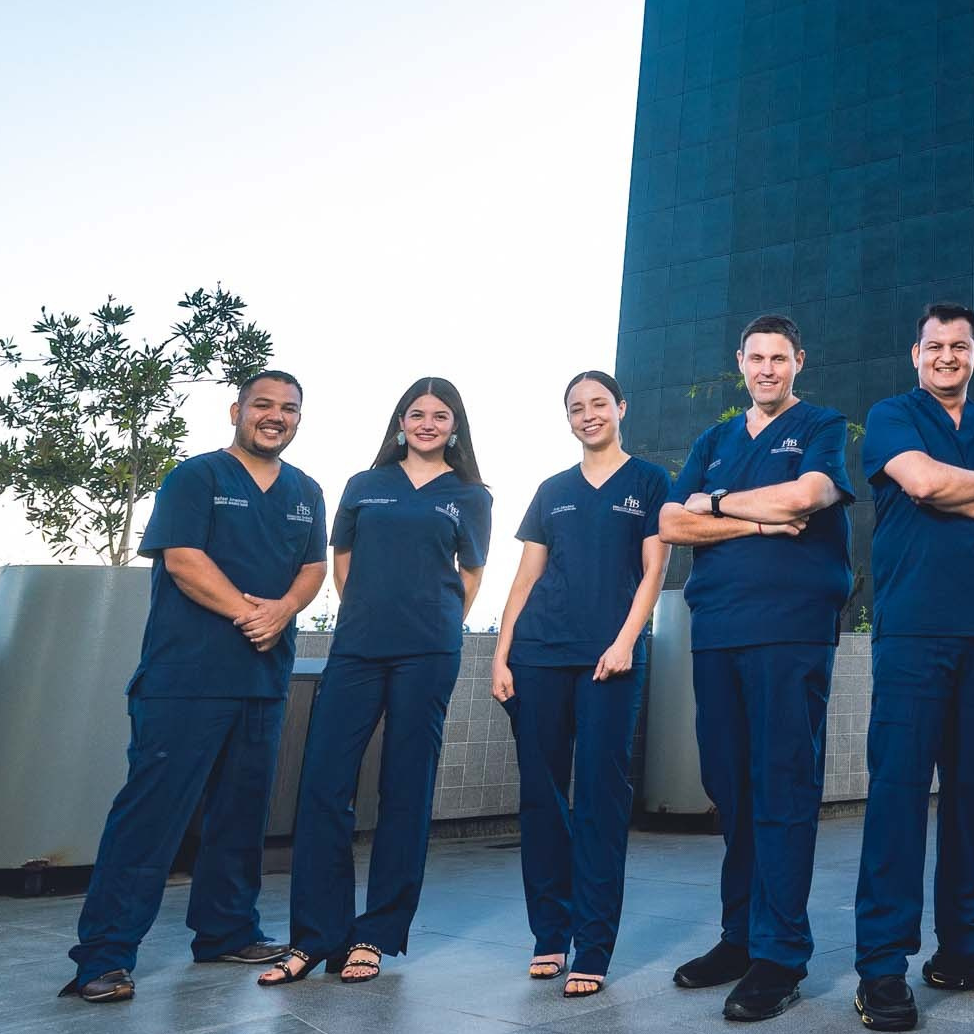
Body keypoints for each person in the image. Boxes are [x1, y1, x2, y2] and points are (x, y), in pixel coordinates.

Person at [61, 371, 327, 1002]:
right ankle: (103, 956)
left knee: (241, 818)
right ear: (236, 410)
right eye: (263, 405)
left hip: (262, 681)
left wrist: (284, 608)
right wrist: (250, 612)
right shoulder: (195, 477)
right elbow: (182, 560)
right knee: (151, 818)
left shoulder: (305, 491)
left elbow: (314, 567)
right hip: (186, 679)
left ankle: (227, 930)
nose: (275, 416)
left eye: (289, 409)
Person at [850, 303, 974, 1031]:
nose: (946, 356)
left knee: (970, 795)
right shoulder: (890, 415)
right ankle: (880, 965)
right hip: (913, 633)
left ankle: (963, 945)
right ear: (916, 354)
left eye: (958, 346)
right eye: (934, 346)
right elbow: (922, 484)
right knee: (899, 794)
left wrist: (965, 483)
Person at [657, 314, 855, 1022]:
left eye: (780, 357)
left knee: (782, 785)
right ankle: (739, 936)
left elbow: (807, 497)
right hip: (718, 633)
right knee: (731, 787)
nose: (767, 368)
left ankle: (780, 953)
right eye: (756, 357)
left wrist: (715, 502)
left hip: (789, 631)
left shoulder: (823, 425)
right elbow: (672, 523)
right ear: (739, 361)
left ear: (798, 360)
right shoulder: (714, 440)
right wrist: (755, 518)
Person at [261, 378, 491, 988]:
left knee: (405, 790)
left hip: (429, 653)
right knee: (323, 786)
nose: (427, 423)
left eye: (441, 416)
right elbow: (342, 563)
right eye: (417, 414)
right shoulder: (364, 487)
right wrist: (368, 615)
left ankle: (376, 933)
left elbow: (470, 576)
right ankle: (317, 935)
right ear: (399, 423)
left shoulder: (470, 494)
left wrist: (434, 624)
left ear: (455, 428)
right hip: (358, 648)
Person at [488, 370, 670, 998]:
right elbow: (524, 577)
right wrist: (501, 654)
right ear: (566, 418)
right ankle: (548, 933)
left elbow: (653, 572)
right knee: (541, 798)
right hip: (539, 654)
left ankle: (592, 944)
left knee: (600, 798)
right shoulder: (552, 490)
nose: (588, 414)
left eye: (598, 404)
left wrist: (626, 642)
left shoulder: (649, 481)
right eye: (576, 407)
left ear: (621, 406)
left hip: (609, 660)